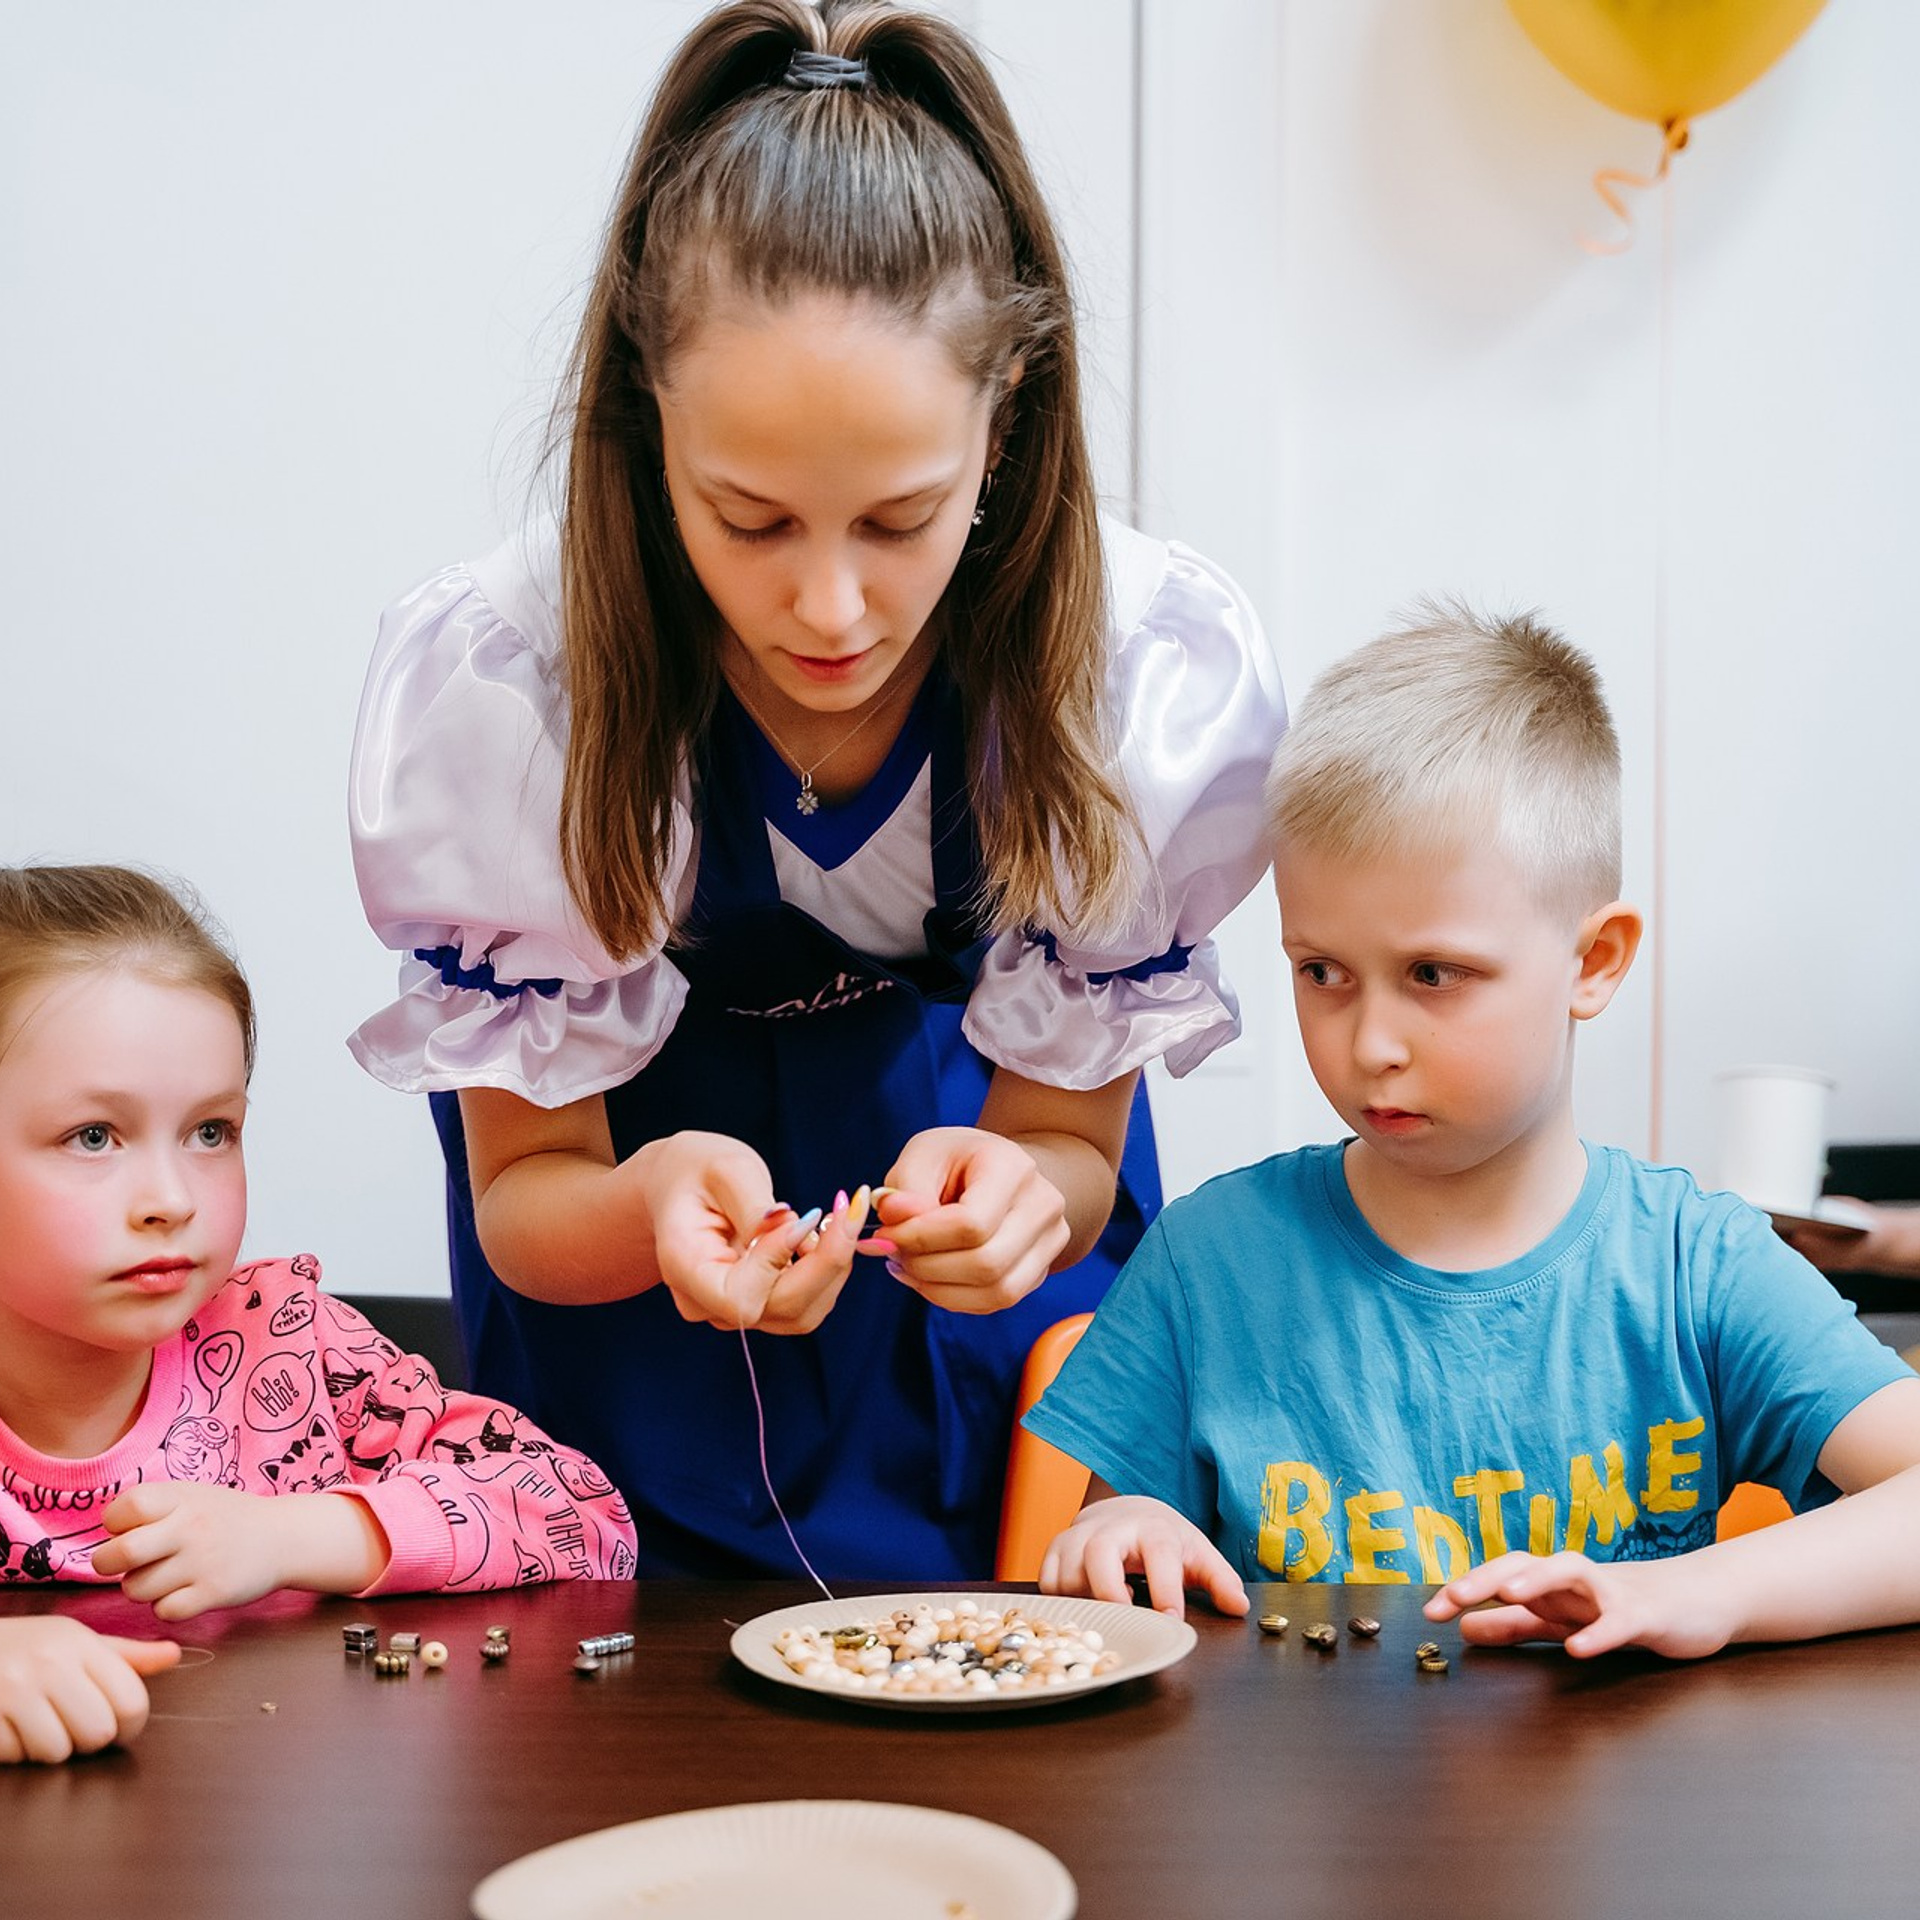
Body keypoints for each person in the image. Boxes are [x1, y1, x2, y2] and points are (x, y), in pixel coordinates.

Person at [348, 0, 1284, 1579]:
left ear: (1007, 416)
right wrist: (644, 1206)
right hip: (631, 1300)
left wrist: (1030, 1199)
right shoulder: (518, 686)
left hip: (965, 1281)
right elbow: (527, 1194)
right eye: (752, 519)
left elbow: (1065, 1142)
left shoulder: (1127, 671)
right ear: (649, 417)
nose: (832, 610)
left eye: (903, 519)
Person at [1027, 607, 1920, 1660]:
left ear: (1593, 963)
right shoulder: (1205, 1263)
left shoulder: (1698, 1265)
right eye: (1322, 971)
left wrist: (1697, 1590)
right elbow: (1111, 1559)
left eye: (1433, 974)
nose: (1371, 1045)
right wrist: (1122, 1529)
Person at [0, 865, 636, 1763]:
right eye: (93, 1136)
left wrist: (299, 1534)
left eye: (211, 1132)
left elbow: (585, 1519)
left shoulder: (288, 1346)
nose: (171, 1199)